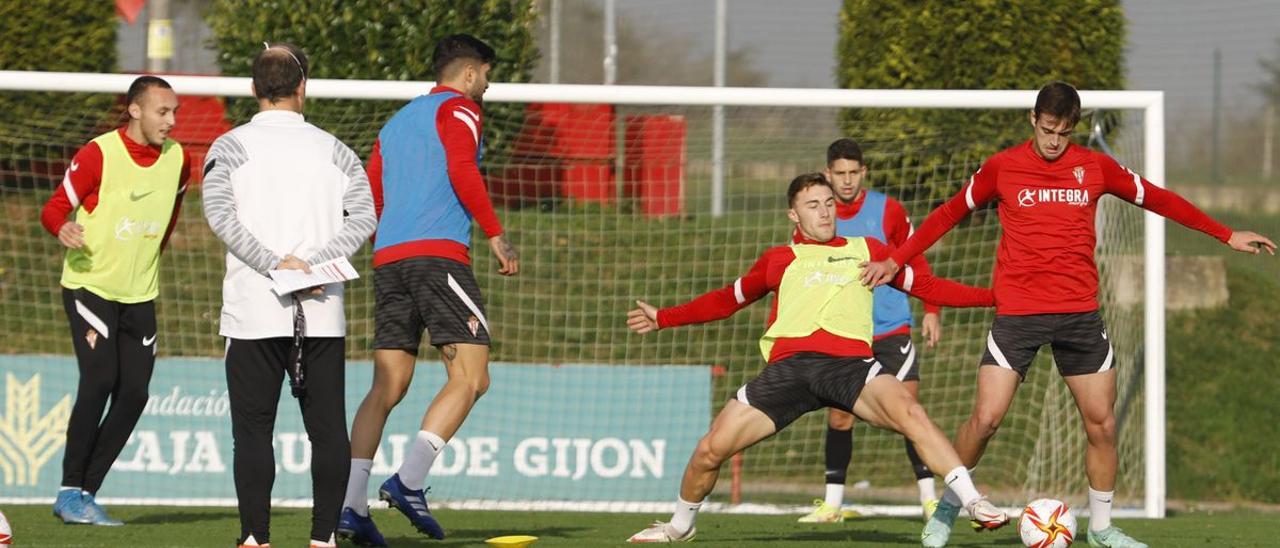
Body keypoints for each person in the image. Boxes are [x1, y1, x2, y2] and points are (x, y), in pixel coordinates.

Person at [860, 82, 1276, 548]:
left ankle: (1101, 529)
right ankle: (949, 509)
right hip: (1017, 315)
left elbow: (1158, 198)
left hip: (1080, 315)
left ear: (1073, 128)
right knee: (985, 419)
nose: (1053, 140)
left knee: (1102, 424)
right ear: (1032, 121)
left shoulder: (1095, 167)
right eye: (1046, 129)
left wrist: (1225, 234)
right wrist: (896, 260)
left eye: (1062, 132)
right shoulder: (1002, 168)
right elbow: (946, 214)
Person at [624, 173, 1009, 543]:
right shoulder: (779, 259)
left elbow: (926, 285)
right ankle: (679, 526)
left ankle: (972, 501)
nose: (825, 212)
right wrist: (664, 318)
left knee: (913, 414)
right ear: (794, 215)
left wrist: (994, 298)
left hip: (850, 367)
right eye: (813, 205)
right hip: (788, 370)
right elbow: (727, 300)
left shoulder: (867, 250)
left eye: (828, 203)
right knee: (709, 450)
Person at [338, 33, 519, 545]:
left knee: (386, 386)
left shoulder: (394, 124)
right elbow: (463, 169)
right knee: (473, 375)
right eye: (486, 74)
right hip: (436, 256)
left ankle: (351, 505)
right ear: (468, 74)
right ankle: (410, 480)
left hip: (389, 260)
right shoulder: (460, 109)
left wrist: (385, 248)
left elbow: (371, 194)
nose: (486, 85)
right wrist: (495, 233)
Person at [202, 42, 376, 548]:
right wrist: (315, 265)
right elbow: (365, 215)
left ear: (254, 89)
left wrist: (276, 264)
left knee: (253, 432)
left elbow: (220, 215)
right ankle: (323, 540)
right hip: (321, 313)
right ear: (303, 87)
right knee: (327, 432)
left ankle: (255, 539)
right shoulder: (335, 149)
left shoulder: (228, 145)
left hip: (254, 311)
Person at [40, 75, 190, 527]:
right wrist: (61, 228)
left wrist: (143, 261)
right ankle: (69, 490)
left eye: (175, 112)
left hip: (140, 293)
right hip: (90, 286)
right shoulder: (97, 154)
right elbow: (53, 209)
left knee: (135, 393)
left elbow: (169, 220)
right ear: (135, 110)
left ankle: (86, 492)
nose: (171, 120)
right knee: (101, 377)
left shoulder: (179, 160)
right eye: (163, 111)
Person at [797, 138, 944, 524]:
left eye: (853, 173)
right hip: (844, 336)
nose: (846, 182)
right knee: (839, 417)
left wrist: (932, 309)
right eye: (839, 174)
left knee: (910, 413)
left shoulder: (889, 210)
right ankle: (832, 505)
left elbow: (916, 258)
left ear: (864, 173)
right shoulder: (818, 217)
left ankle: (929, 500)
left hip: (891, 328)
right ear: (828, 174)